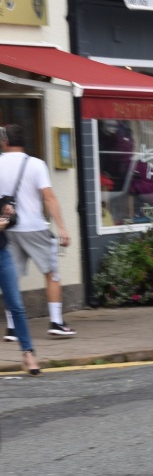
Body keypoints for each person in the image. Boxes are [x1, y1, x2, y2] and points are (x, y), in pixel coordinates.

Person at [0, 123, 74, 339]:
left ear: (5, 141)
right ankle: (56, 322)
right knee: (51, 273)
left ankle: (12, 328)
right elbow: (48, 197)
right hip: (35, 227)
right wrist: (61, 227)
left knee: (10, 277)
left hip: (7, 227)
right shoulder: (36, 164)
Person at [0, 187, 40, 374]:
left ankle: (28, 353)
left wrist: (8, 215)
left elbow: (13, 221)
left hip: (3, 255)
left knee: (16, 304)